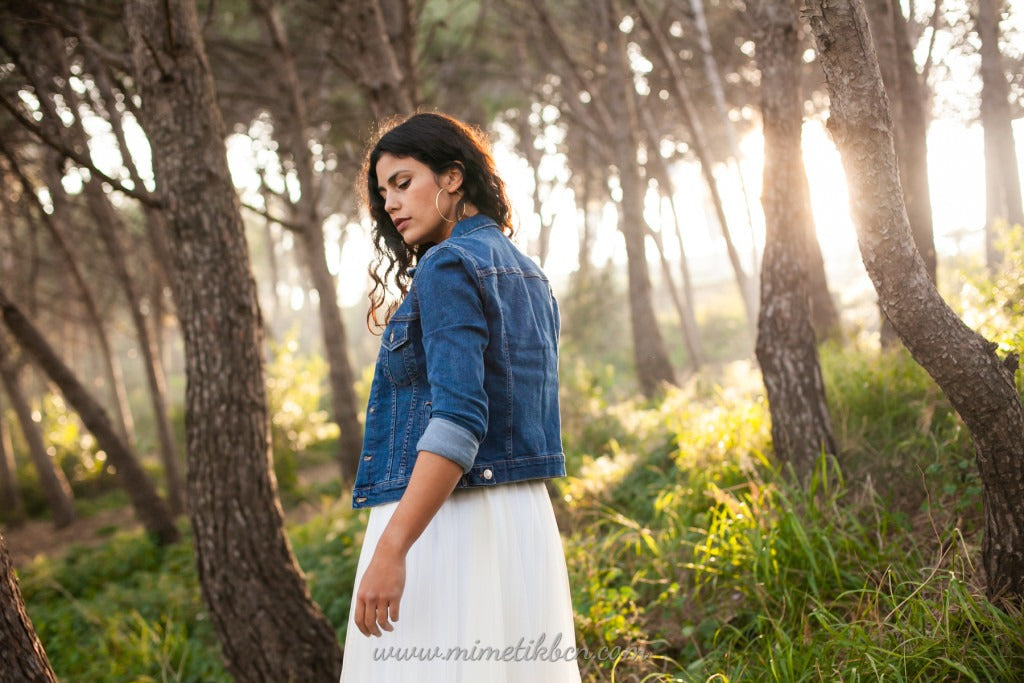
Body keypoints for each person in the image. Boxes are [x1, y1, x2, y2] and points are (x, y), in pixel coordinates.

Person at [338, 112, 582, 682]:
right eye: (382, 193)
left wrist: (392, 549)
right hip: (522, 524)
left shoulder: (447, 266)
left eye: (403, 182)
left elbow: (460, 420)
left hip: (449, 523)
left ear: (452, 177)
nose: (391, 204)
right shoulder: (529, 273)